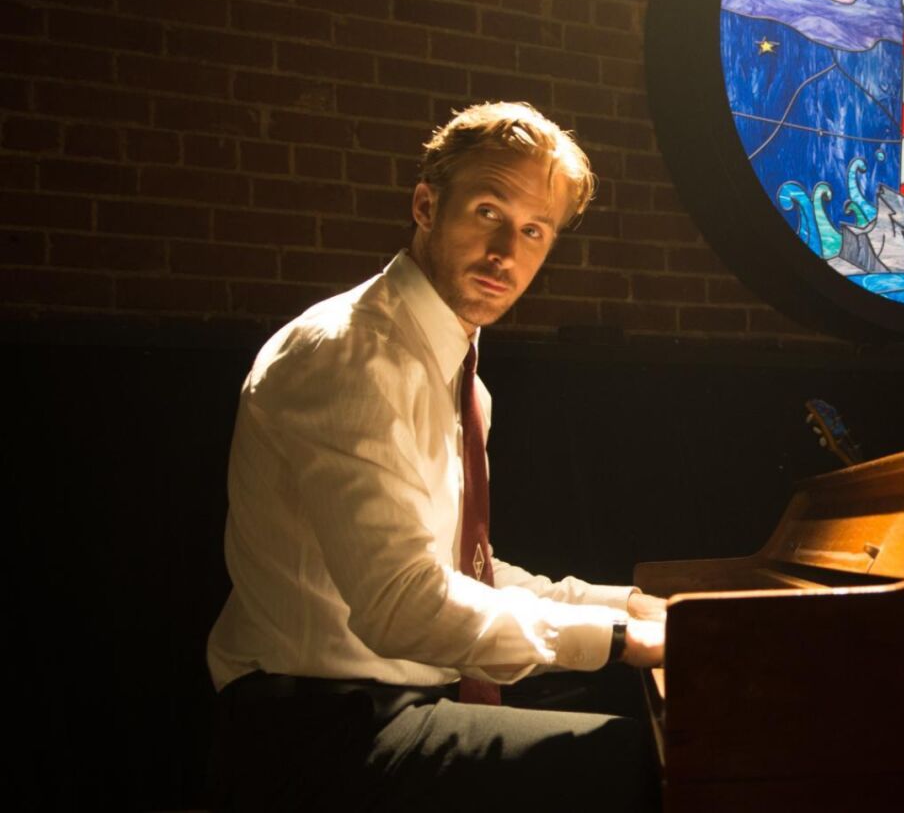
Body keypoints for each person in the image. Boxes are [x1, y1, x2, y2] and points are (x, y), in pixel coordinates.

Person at [207, 101, 666, 811]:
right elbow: (402, 604)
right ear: (426, 206)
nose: (506, 251)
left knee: (647, 723)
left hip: (388, 699)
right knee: (643, 763)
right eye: (488, 211)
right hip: (311, 728)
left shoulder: (459, 378)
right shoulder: (353, 354)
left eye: (534, 230)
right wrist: (619, 638)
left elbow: (462, 571)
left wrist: (635, 607)